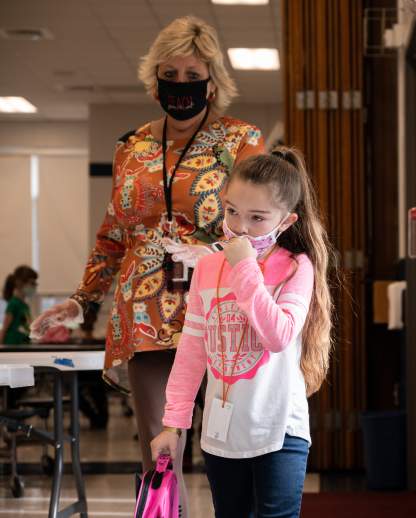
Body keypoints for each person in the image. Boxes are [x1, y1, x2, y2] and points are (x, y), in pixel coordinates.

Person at [29, 16, 265, 516]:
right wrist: (79, 300)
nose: (181, 86)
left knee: (233, 447)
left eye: (192, 74)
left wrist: (219, 254)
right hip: (145, 317)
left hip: (219, 309)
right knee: (159, 451)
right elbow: (114, 234)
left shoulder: (240, 141)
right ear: (153, 77)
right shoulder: (131, 147)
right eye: (170, 74)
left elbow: (259, 229)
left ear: (213, 80)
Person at [150, 149, 333, 518]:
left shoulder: (296, 266)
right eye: (232, 211)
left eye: (257, 218)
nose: (240, 228)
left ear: (286, 220)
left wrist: (245, 267)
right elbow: (192, 351)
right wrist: (174, 423)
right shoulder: (207, 269)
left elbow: (278, 335)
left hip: (280, 430)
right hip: (222, 434)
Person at [1, 266, 38, 345]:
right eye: (32, 283)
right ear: (19, 283)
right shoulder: (13, 304)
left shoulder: (25, 306)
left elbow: (27, 326)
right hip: (12, 346)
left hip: (22, 345)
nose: (35, 286)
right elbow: (4, 328)